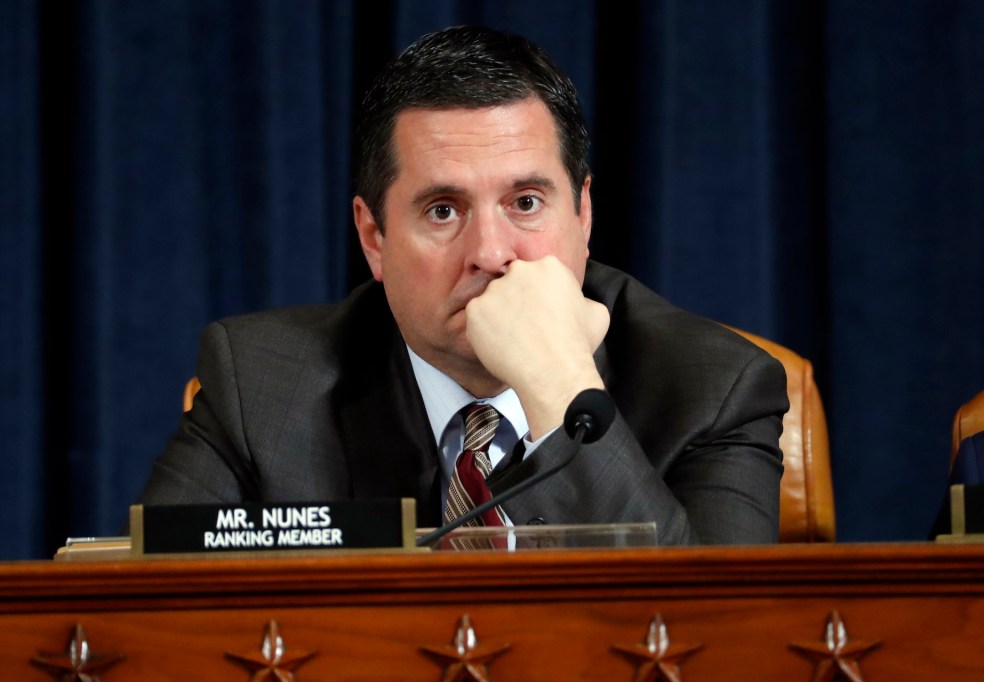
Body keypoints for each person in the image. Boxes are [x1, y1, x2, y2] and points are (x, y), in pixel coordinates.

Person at [135, 26, 789, 545]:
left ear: (583, 215)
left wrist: (561, 389)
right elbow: (146, 623)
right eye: (443, 210)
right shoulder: (263, 387)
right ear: (374, 238)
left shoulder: (714, 388)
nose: (491, 253)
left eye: (526, 202)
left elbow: (706, 645)